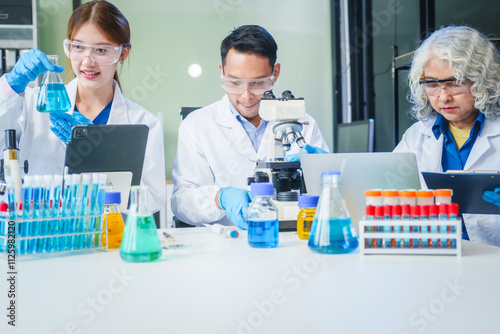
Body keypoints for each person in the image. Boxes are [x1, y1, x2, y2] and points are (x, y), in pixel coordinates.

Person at [0, 0, 165, 214]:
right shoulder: (33, 104)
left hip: (106, 240)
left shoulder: (143, 123)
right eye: (78, 47)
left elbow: (149, 200)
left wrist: (97, 157)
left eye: (101, 50)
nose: (87, 61)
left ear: (122, 53)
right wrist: (10, 87)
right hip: (39, 237)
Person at [171, 25, 329, 229]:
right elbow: (182, 201)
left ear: (276, 73)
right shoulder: (196, 126)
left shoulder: (302, 124)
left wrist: (323, 171)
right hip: (222, 246)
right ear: (222, 72)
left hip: (291, 238)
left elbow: (332, 195)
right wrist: (220, 198)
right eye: (235, 83)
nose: (246, 96)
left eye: (257, 84)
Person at [394, 25, 500, 247]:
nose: (443, 97)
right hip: (433, 255)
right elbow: (385, 193)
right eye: (432, 84)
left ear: (483, 80)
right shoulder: (417, 136)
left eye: (455, 82)